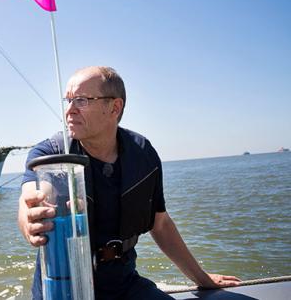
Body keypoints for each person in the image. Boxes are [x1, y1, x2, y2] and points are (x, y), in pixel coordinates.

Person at [18, 66, 240, 299]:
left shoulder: (143, 154)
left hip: (124, 284)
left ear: (115, 107)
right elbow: (30, 198)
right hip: (65, 287)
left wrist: (201, 279)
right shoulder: (50, 156)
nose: (69, 110)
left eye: (81, 100)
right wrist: (30, 220)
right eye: (68, 100)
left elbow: (160, 224)